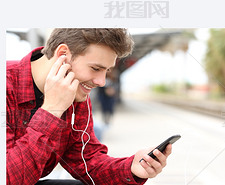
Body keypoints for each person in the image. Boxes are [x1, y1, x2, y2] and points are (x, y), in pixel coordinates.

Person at [6, 28, 172, 185]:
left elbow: (88, 161)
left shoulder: (76, 94)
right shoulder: (6, 86)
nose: (101, 82)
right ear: (63, 55)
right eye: (95, 68)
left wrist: (132, 168)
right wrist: (51, 110)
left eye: (106, 71)